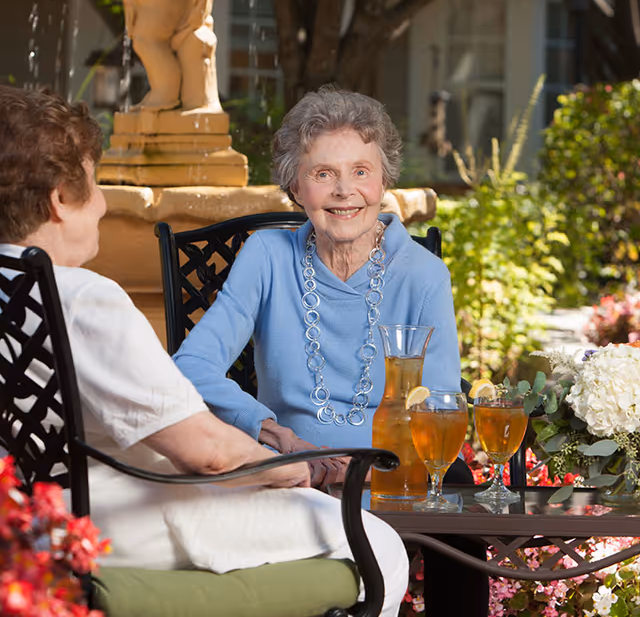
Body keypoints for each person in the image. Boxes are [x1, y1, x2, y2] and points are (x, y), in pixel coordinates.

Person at [0, 85, 408, 617]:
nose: (101, 202)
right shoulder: (83, 296)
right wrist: (293, 468)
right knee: (381, 547)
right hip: (115, 512)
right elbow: (208, 453)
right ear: (60, 199)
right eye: (95, 184)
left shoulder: (13, 283)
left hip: (39, 509)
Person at [173, 86, 489, 617]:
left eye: (361, 171)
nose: (346, 192)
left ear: (384, 180)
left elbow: (436, 403)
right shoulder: (267, 256)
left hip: (396, 471)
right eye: (324, 174)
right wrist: (269, 432)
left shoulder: (424, 274)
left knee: (459, 513)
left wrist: (350, 468)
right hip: (289, 469)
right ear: (296, 186)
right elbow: (192, 365)